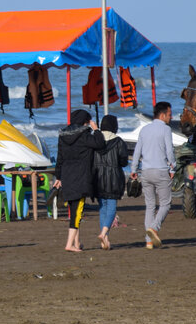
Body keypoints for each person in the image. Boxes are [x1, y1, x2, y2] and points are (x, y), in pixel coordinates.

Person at [53, 109, 105, 252]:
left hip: (67, 175)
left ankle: (76, 242)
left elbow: (60, 158)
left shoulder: (62, 135)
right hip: (81, 176)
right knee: (77, 211)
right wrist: (96, 129)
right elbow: (100, 144)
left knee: (74, 209)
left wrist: (58, 177)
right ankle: (69, 244)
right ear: (85, 122)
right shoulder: (85, 135)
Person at [130, 101, 175, 248]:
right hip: (161, 171)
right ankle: (154, 228)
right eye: (169, 114)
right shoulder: (166, 130)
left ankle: (148, 241)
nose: (171, 117)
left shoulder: (144, 129)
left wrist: (133, 169)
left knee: (150, 206)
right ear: (162, 115)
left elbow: (137, 151)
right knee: (165, 204)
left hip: (146, 172)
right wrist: (173, 167)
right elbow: (169, 151)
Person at [92, 114, 129, 250]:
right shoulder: (119, 141)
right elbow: (124, 161)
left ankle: (105, 239)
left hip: (98, 177)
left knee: (103, 208)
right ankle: (103, 234)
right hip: (114, 177)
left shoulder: (96, 140)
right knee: (112, 208)